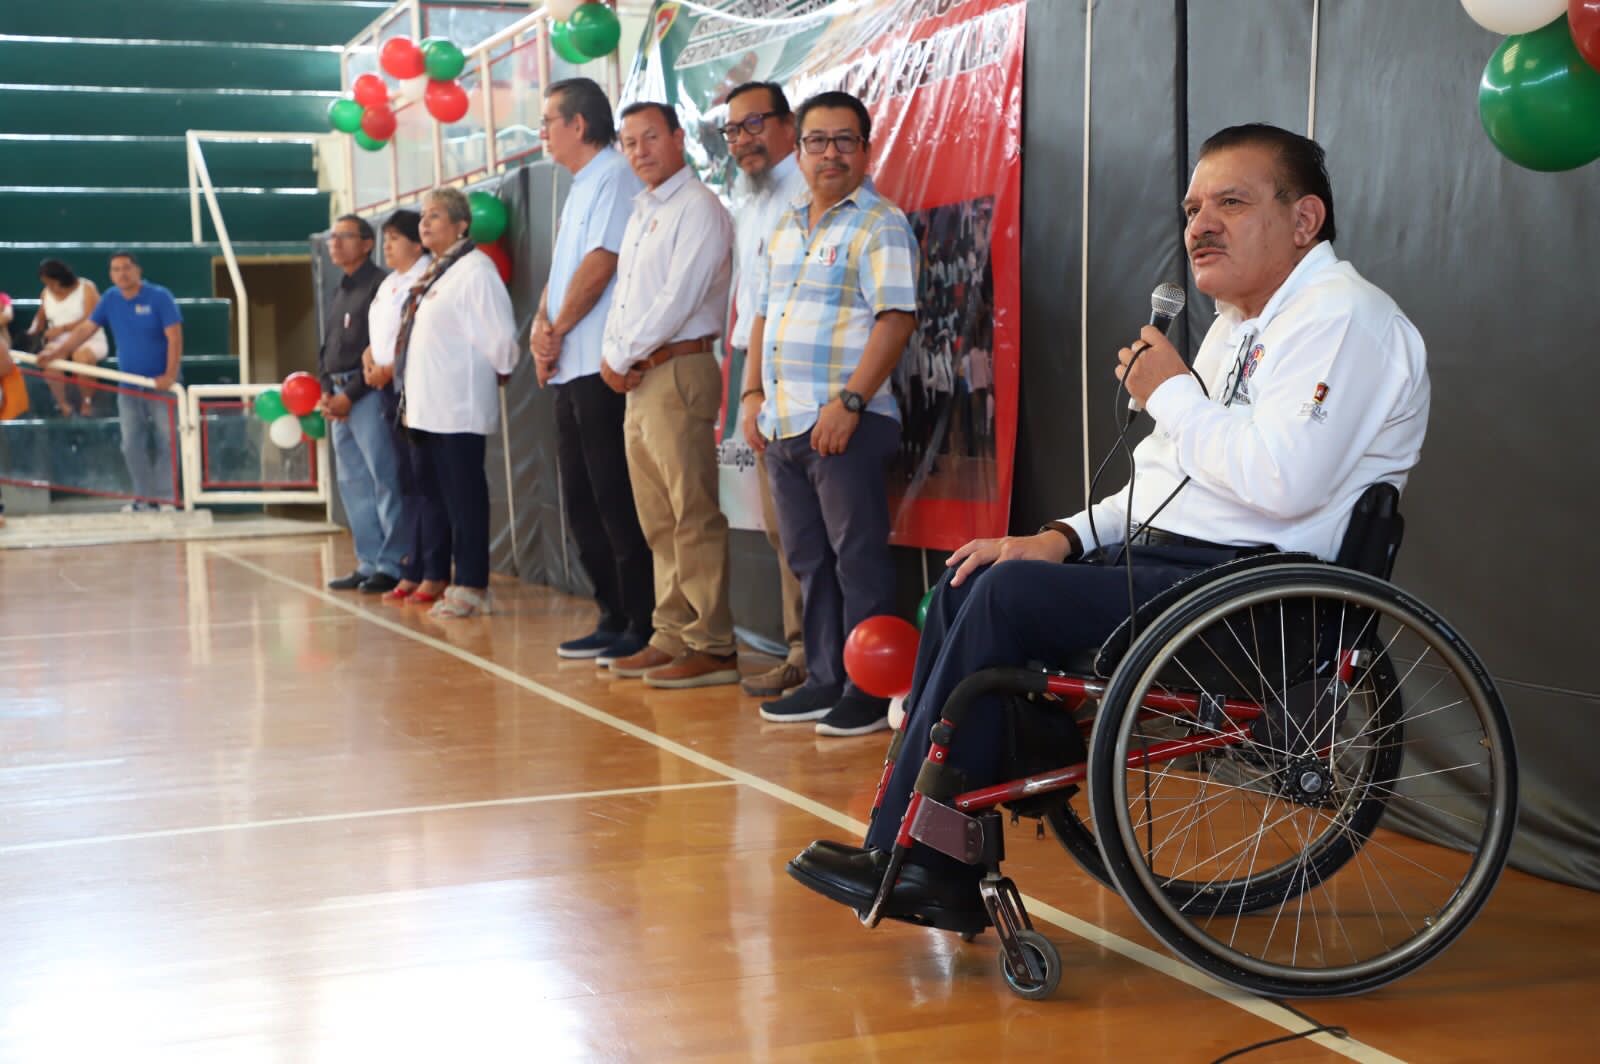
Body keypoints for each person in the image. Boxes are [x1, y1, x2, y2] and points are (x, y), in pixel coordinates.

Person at [786, 123, 1432, 929]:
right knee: (978, 576)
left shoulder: (1346, 318)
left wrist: (1173, 394)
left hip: (1261, 592)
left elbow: (1284, 481)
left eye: (1231, 202)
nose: (1200, 224)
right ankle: (937, 854)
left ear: (1304, 220)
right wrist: (1061, 536)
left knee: (1007, 601)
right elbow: (1165, 478)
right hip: (1185, 561)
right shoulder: (1242, 325)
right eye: (1193, 206)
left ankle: (918, 855)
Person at [739, 90, 918, 736]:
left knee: (857, 557)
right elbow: (762, 316)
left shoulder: (879, 223)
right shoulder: (785, 226)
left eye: (846, 141)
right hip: (783, 423)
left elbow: (897, 319)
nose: (830, 153)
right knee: (808, 561)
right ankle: (824, 679)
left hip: (847, 422)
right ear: (799, 148)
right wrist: (751, 396)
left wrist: (850, 402)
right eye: (818, 141)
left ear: (866, 151)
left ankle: (870, 691)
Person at [600, 101, 739, 689]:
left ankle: (712, 642)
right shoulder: (640, 212)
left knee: (691, 511)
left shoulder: (700, 208)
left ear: (679, 137)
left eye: (650, 137)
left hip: (678, 368)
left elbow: (677, 300)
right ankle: (672, 633)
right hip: (640, 374)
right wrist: (616, 355)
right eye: (628, 142)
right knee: (657, 517)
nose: (639, 151)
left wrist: (620, 354)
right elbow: (626, 299)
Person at [531, 77, 656, 667]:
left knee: (615, 497)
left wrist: (555, 330)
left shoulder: (613, 175)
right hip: (566, 369)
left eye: (547, 121)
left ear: (578, 124)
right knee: (580, 499)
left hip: (600, 367)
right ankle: (609, 612)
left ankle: (641, 619)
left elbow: (602, 263)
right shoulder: (577, 186)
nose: (542, 134)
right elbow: (562, 274)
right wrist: (540, 326)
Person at [393, 187, 519, 619]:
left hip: (458, 406)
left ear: (462, 224)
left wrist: (493, 372)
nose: (425, 223)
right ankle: (450, 578)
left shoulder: (476, 271)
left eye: (436, 216)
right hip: (427, 407)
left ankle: (472, 584)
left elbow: (501, 339)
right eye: (424, 216)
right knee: (443, 497)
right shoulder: (437, 272)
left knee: (466, 498)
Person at [723, 80, 811, 700]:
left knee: (806, 528)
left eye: (754, 124)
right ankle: (801, 650)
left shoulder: (808, 190)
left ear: (788, 125)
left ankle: (820, 657)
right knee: (781, 525)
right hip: (755, 372)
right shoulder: (749, 197)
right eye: (731, 130)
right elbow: (750, 306)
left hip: (807, 381)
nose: (742, 139)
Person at [49, 252, 184, 511]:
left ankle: (168, 498)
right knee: (131, 443)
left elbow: (174, 338)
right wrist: (56, 352)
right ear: (111, 275)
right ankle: (144, 499)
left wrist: (169, 375)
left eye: (126, 268)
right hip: (128, 386)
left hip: (161, 385)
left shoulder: (160, 297)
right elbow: (85, 330)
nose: (121, 273)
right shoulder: (110, 298)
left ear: (138, 270)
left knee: (168, 441)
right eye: (115, 269)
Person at [361, 208, 448, 605]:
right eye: (386, 239)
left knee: (427, 481)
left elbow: (419, 337)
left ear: (417, 242)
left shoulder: (427, 277)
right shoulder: (389, 283)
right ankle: (411, 566)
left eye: (395, 238)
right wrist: (369, 357)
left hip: (416, 387)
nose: (387, 246)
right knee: (405, 482)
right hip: (385, 389)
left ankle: (434, 568)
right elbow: (380, 331)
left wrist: (389, 368)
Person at [319, 214, 404, 595]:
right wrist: (325, 389)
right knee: (353, 483)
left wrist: (347, 396)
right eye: (332, 237)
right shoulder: (340, 288)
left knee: (383, 478)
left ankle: (393, 562)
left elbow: (380, 349)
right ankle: (367, 560)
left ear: (367, 244)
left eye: (345, 237)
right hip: (336, 396)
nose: (335, 243)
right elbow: (331, 346)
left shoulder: (380, 285)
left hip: (365, 395)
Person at [29, 259, 108, 417]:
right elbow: (40, 318)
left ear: (62, 278)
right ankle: (63, 405)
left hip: (89, 338)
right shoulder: (45, 293)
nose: (50, 287)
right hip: (59, 342)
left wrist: (63, 328)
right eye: (47, 283)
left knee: (82, 357)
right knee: (49, 359)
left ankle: (87, 402)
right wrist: (32, 330)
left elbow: (92, 318)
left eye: (52, 283)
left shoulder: (86, 288)